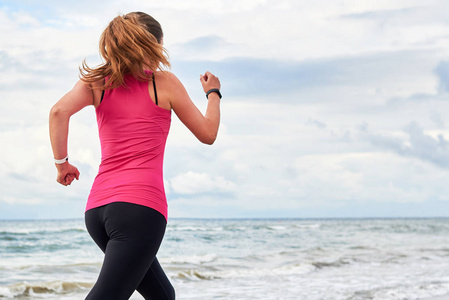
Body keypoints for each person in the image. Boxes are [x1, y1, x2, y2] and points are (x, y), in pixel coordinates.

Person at [49, 11, 221, 300]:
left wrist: (61, 164)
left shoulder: (96, 82)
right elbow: (208, 134)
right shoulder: (163, 82)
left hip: (98, 212)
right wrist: (213, 93)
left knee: (163, 295)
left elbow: (58, 112)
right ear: (154, 44)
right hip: (140, 210)